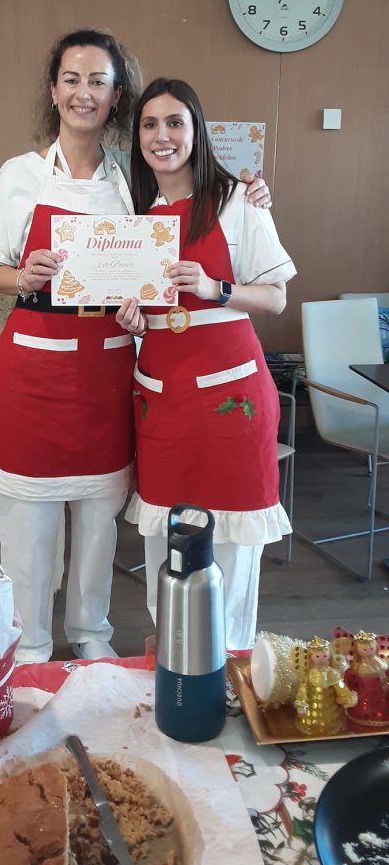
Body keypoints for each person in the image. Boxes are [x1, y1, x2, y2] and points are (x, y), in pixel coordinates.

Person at [0, 32, 271, 665]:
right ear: (54, 90)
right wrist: (22, 276)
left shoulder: (131, 181)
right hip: (32, 364)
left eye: (98, 82)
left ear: (115, 97)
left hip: (109, 364)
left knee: (99, 520)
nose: (84, 93)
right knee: (27, 527)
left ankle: (91, 634)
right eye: (72, 79)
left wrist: (252, 193)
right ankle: (29, 647)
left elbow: (176, 226)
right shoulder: (20, 175)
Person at [116, 77, 297, 651]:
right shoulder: (136, 217)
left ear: (197, 131)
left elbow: (275, 297)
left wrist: (216, 288)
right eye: (150, 124)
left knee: (231, 543)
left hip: (229, 399)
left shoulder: (238, 200)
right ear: (137, 137)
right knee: (167, 537)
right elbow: (148, 309)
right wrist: (134, 321)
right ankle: (174, 657)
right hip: (161, 397)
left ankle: (230, 660)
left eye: (175, 122)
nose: (162, 136)